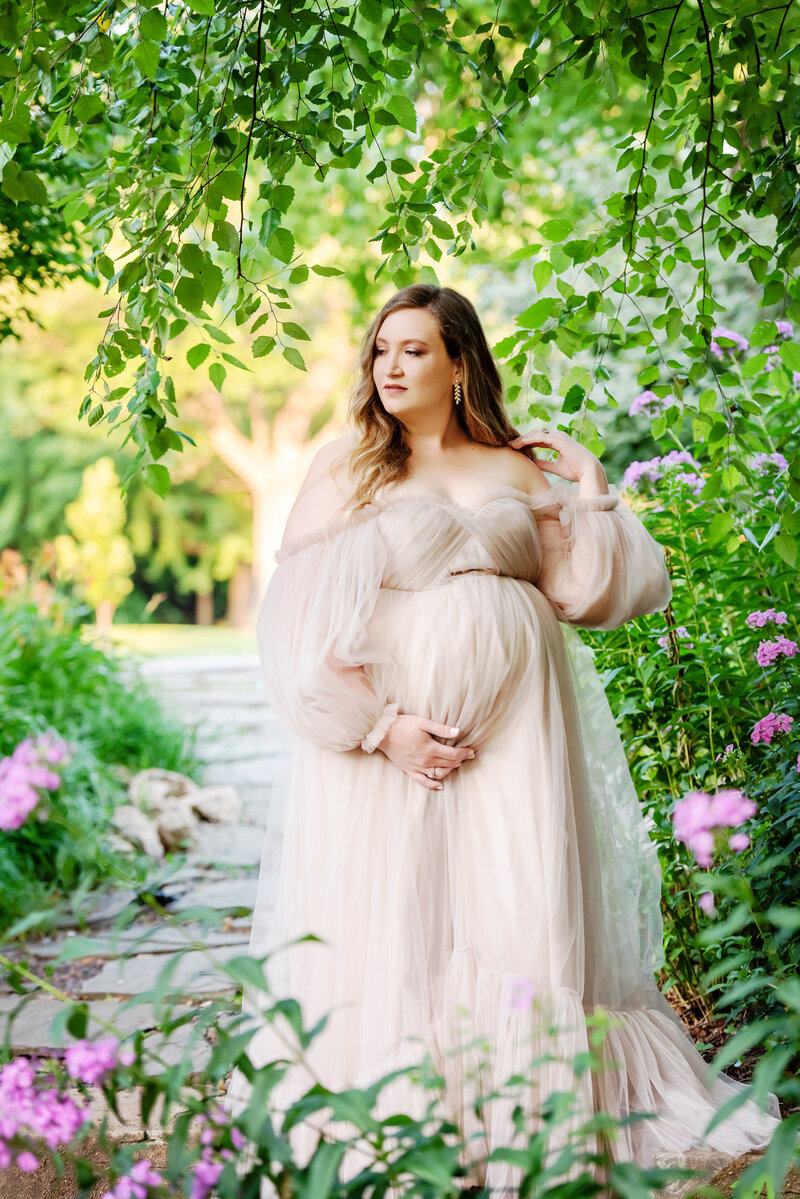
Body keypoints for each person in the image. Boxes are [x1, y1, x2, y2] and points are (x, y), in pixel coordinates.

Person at [230, 284, 780, 1193]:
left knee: (518, 908)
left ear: (458, 363)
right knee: (406, 914)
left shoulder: (516, 471)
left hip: (522, 738)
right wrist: (380, 728)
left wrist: (588, 488)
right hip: (397, 747)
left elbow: (598, 599)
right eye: (381, 352)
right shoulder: (349, 468)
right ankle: (413, 1110)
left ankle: (536, 1112)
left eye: (413, 350)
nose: (391, 367)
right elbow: (298, 630)